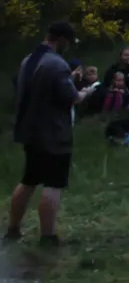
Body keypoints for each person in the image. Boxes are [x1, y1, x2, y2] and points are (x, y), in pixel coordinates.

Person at [7, 22, 93, 246]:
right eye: (68, 42)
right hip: (53, 134)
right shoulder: (57, 64)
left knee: (28, 180)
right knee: (53, 184)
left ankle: (13, 229)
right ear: (62, 39)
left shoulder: (28, 61)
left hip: (29, 130)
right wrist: (85, 91)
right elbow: (71, 98)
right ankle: (48, 236)